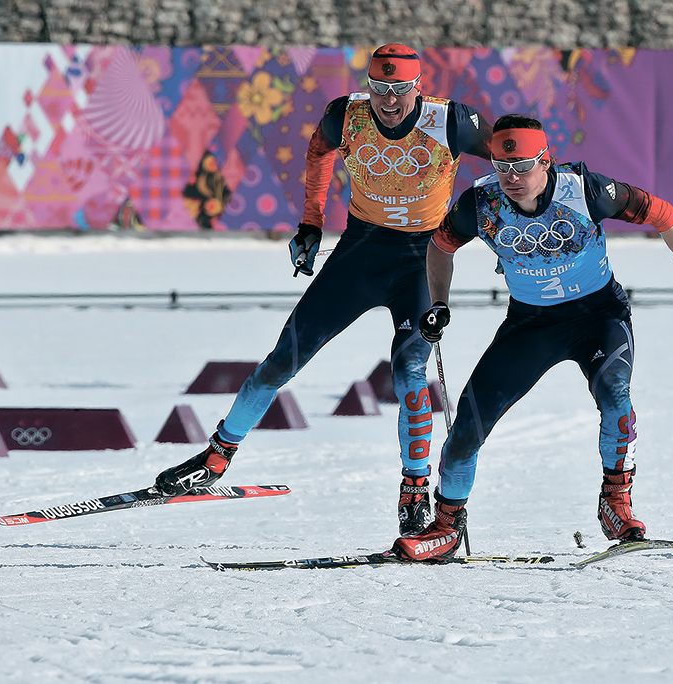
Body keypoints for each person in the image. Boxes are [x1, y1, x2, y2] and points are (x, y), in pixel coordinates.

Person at [155, 44, 493, 536]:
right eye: (381, 89)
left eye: (400, 91)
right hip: (359, 254)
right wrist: (311, 223)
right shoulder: (347, 114)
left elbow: (515, 161)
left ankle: (415, 488)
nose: (390, 102)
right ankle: (217, 456)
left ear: (418, 87)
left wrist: (506, 234)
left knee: (409, 377)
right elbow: (318, 153)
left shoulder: (452, 121)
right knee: (281, 360)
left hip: (422, 260)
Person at [391, 114, 673, 561]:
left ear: (545, 161)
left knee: (615, 397)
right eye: (501, 167)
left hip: (598, 316)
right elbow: (441, 245)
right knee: (466, 430)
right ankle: (447, 526)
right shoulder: (482, 203)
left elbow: (663, 214)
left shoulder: (584, 190)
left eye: (523, 166)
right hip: (531, 325)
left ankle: (615, 500)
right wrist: (438, 303)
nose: (511, 178)